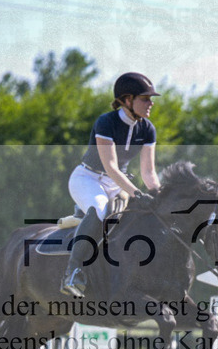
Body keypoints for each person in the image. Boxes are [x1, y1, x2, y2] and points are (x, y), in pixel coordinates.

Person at [60, 72, 162, 297]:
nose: (151, 103)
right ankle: (73, 272)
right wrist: (136, 193)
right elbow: (111, 167)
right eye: (145, 98)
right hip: (88, 178)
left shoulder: (148, 129)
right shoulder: (106, 122)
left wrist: (160, 196)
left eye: (150, 99)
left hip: (118, 184)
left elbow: (148, 173)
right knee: (100, 209)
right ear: (127, 99)